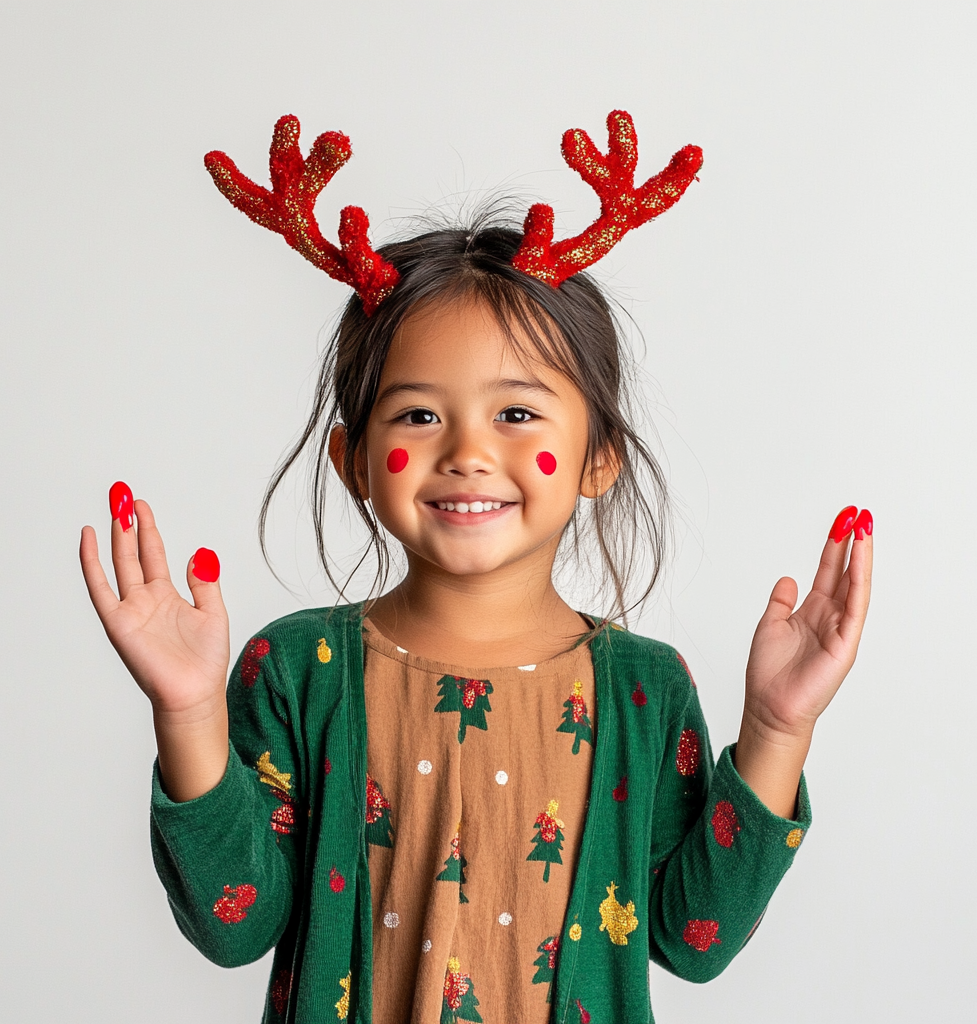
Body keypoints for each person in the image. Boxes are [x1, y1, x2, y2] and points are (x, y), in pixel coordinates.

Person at [79, 112, 873, 1024]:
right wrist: (187, 713)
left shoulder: (643, 690)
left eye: (518, 415)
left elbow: (696, 937)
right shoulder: (297, 672)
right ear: (356, 459)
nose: (465, 451)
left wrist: (776, 730)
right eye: (418, 416)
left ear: (597, 457)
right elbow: (235, 926)